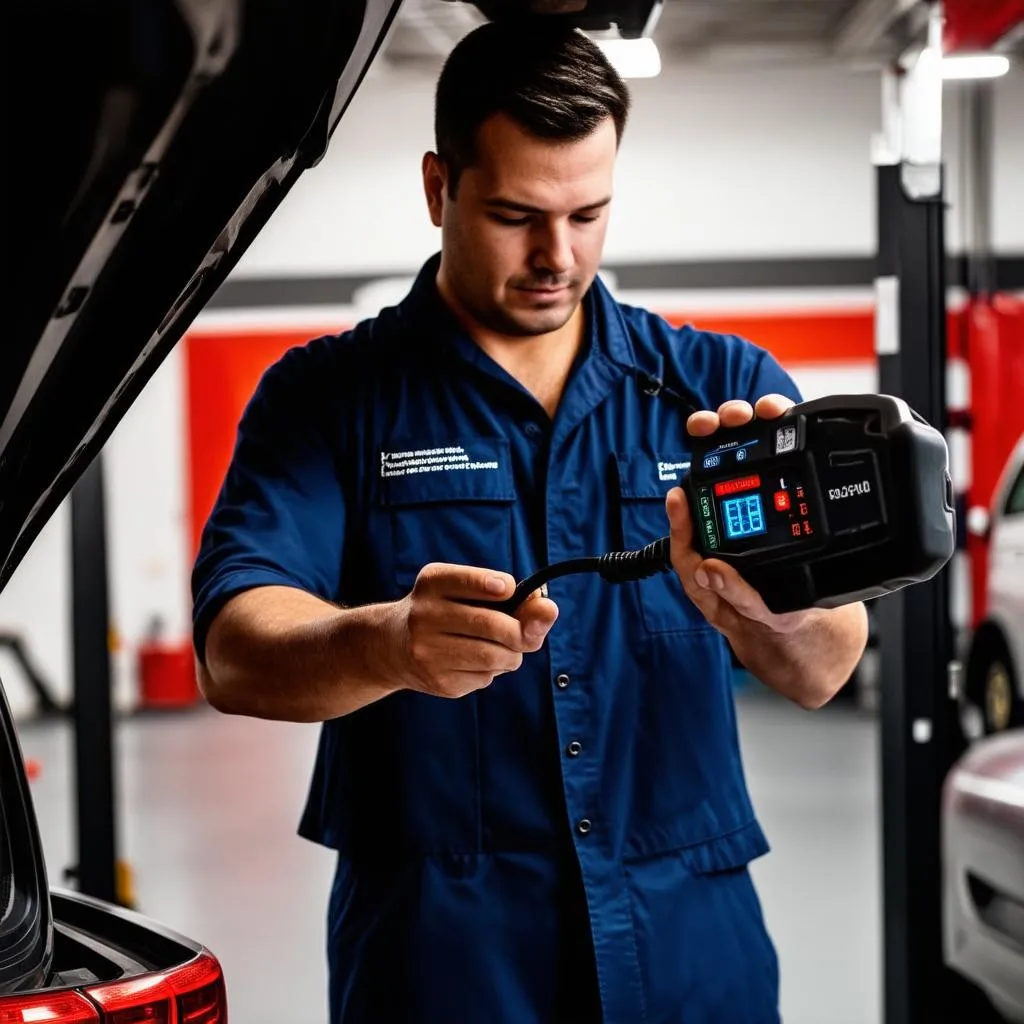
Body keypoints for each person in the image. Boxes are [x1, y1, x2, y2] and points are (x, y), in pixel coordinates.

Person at [191, 19, 869, 1024]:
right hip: (445, 967)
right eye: (515, 214)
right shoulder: (330, 398)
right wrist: (387, 642)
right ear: (438, 187)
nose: (558, 255)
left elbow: (825, 666)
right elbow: (234, 648)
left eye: (588, 213)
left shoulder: (720, 392)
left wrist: (761, 610)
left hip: (690, 953)